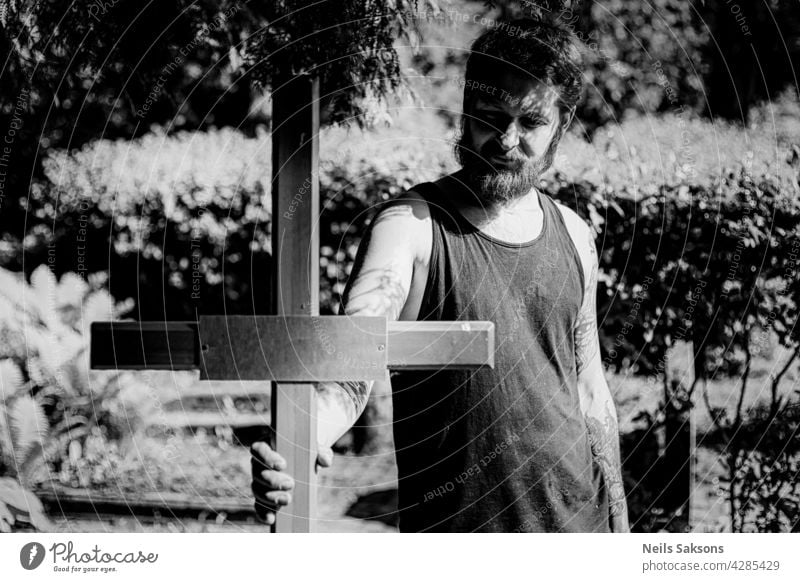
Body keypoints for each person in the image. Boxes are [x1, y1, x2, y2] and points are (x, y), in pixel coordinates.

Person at [251, 17, 629, 533]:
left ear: (561, 126)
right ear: (466, 112)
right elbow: (353, 362)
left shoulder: (575, 234)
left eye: (532, 123)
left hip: (578, 529)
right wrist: (305, 435)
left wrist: (619, 528)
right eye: (490, 116)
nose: (505, 139)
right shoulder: (410, 226)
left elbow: (589, 388)